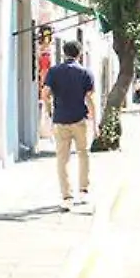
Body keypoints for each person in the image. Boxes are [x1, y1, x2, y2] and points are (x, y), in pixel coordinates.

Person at [41, 40, 95, 210]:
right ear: (79, 54)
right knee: (83, 154)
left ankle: (66, 196)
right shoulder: (85, 73)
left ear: (64, 53)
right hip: (80, 119)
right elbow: (90, 98)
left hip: (60, 120)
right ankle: (84, 190)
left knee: (62, 158)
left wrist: (50, 111)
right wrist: (95, 121)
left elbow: (45, 94)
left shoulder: (54, 72)